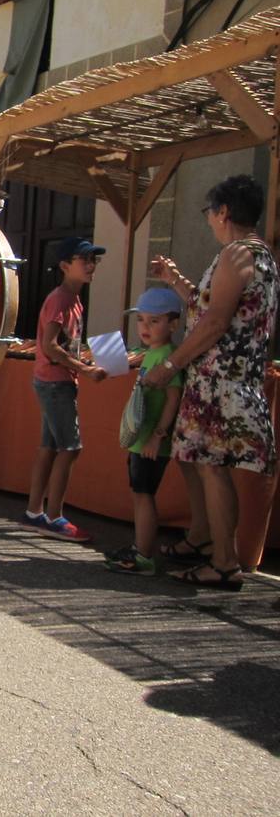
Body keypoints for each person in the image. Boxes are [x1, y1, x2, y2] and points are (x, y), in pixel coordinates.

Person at [143, 174, 278, 590]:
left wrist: (170, 365)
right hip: (228, 380)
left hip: (221, 382)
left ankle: (223, 562)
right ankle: (204, 538)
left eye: (209, 211)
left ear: (223, 212)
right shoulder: (258, 256)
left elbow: (216, 322)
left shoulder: (238, 254)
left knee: (212, 466)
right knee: (198, 461)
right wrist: (175, 279)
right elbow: (208, 307)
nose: (208, 220)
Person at [24, 236, 107, 542]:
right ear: (64, 265)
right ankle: (54, 516)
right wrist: (85, 369)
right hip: (55, 382)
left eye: (93, 260)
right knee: (70, 448)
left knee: (49, 446)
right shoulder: (60, 299)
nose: (91, 265)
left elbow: (62, 345)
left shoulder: (73, 299)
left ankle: (34, 512)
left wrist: (83, 363)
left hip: (56, 381)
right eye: (84, 259)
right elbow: (50, 345)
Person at [104, 286, 185, 575]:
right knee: (139, 493)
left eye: (155, 321)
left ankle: (144, 555)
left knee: (144, 494)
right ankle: (139, 547)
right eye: (141, 319)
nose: (145, 327)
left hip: (151, 442)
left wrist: (157, 436)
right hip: (141, 440)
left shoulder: (168, 356)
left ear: (173, 324)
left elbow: (173, 398)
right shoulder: (152, 353)